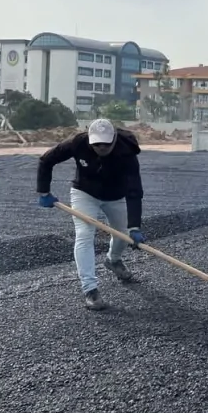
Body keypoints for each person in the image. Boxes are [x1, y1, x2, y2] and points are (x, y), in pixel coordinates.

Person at [36, 118, 146, 311]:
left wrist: (134, 226)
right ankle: (90, 289)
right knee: (84, 234)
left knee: (123, 235)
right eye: (97, 144)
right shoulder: (77, 142)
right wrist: (44, 191)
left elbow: (134, 190)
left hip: (116, 195)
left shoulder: (126, 152)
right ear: (90, 140)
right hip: (84, 193)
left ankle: (113, 260)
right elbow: (46, 160)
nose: (101, 148)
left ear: (114, 139)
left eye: (106, 144)